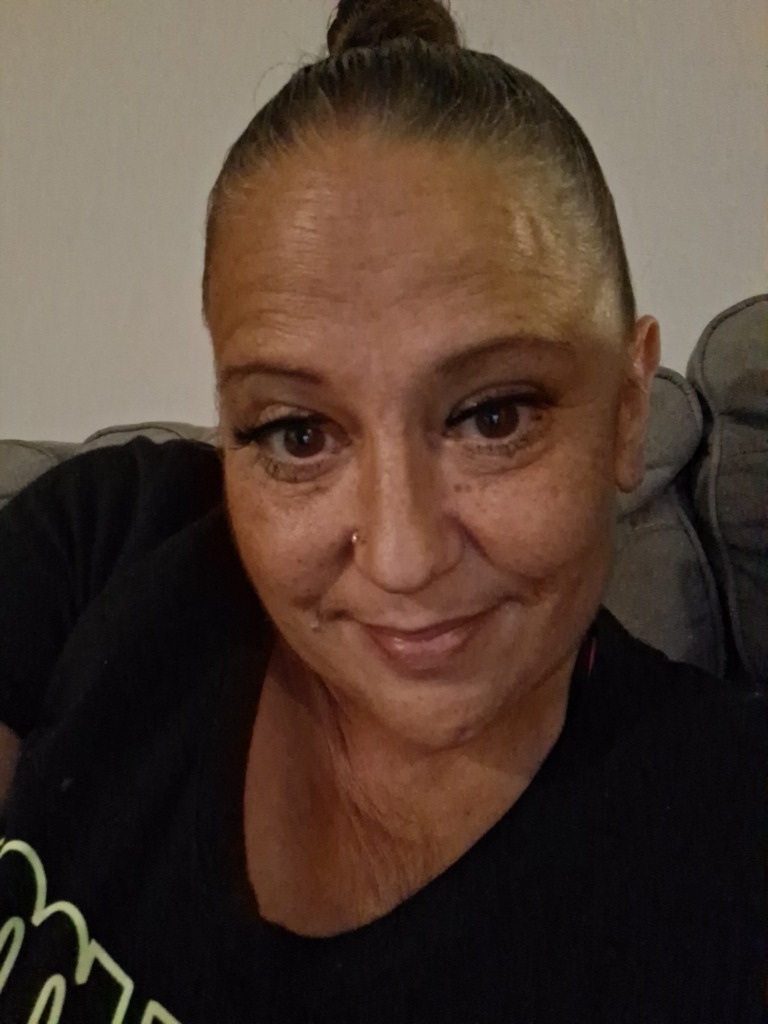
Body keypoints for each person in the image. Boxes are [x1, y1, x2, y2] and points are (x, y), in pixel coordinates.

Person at [0, 1, 765, 1021]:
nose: (402, 558)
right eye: (298, 433)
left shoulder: (729, 849)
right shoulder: (109, 536)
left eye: (494, 416)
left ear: (628, 408)